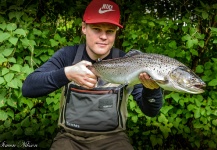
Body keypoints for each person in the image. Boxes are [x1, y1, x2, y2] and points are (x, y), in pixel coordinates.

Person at [22, 0, 163, 149]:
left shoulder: (128, 61)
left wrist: (151, 89)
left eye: (110, 31)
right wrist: (68, 73)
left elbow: (151, 111)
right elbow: (29, 88)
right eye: (96, 29)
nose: (103, 36)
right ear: (84, 28)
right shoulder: (68, 56)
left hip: (114, 139)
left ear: (116, 32)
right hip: (69, 139)